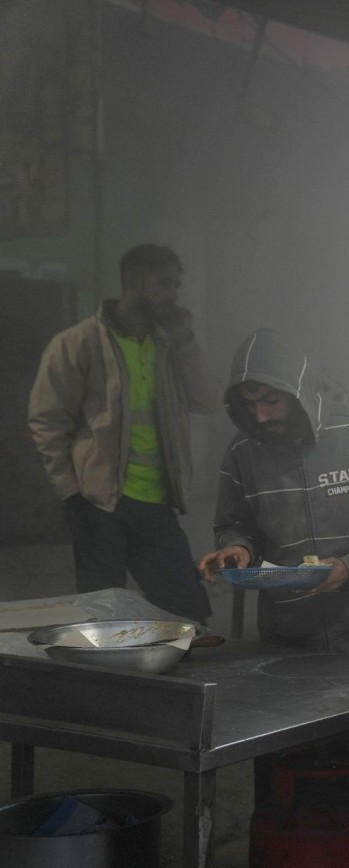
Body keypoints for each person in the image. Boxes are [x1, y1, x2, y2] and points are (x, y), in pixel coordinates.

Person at [196, 328, 349, 863]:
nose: (263, 415)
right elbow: (234, 523)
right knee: (289, 779)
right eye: (249, 405)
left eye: (271, 400)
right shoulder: (242, 452)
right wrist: (235, 552)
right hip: (287, 646)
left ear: (299, 391)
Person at [28, 243, 218, 623]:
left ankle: (177, 679)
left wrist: (186, 340)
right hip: (99, 503)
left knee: (189, 611)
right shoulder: (78, 343)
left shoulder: (169, 344)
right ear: (132, 280)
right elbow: (46, 420)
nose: (173, 294)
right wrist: (71, 491)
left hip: (158, 502)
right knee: (102, 615)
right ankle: (109, 683)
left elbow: (207, 399)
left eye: (176, 285)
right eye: (164, 283)